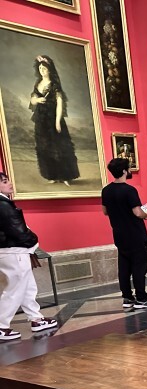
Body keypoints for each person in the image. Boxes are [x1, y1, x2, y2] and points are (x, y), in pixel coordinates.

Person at [0, 172, 58, 340]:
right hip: (14, 251)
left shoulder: (4, 203)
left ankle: (36, 318)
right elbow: (17, 230)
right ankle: (1, 325)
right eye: (5, 181)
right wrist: (33, 239)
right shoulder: (3, 205)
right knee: (15, 289)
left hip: (13, 250)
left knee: (27, 286)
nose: (10, 183)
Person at [101, 158, 147, 310]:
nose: (130, 170)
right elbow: (137, 212)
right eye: (129, 168)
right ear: (124, 171)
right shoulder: (129, 190)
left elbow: (105, 211)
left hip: (119, 234)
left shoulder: (106, 190)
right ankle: (141, 298)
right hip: (135, 234)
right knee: (139, 267)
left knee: (124, 267)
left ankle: (127, 297)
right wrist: (145, 214)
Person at [29, 55, 79, 186]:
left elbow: (60, 104)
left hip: (53, 118)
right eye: (40, 68)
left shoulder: (54, 85)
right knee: (44, 147)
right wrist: (37, 100)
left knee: (59, 147)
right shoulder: (38, 84)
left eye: (44, 68)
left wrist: (57, 121)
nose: (42, 70)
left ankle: (65, 176)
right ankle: (52, 175)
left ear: (49, 70)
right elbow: (32, 100)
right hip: (41, 119)